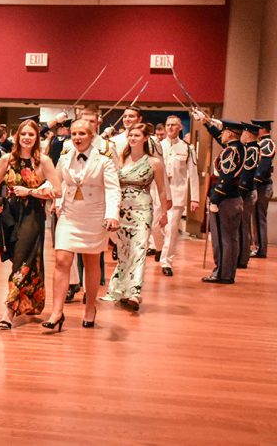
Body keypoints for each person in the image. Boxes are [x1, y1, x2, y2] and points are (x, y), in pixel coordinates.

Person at [47, 119, 121, 331]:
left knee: (91, 262)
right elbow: (57, 181)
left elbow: (113, 189)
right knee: (61, 259)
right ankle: (56, 312)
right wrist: (49, 195)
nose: (77, 138)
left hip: (94, 216)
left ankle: (90, 307)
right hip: (70, 214)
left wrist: (112, 215)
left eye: (82, 134)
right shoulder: (65, 157)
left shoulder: (104, 160)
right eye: (74, 134)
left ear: (92, 135)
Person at [0, 119, 61, 329]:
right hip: (10, 214)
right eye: (24, 134)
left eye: (31, 134)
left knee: (23, 260)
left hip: (33, 214)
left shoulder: (44, 161)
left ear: (37, 138)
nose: (27, 138)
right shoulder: (6, 159)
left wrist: (31, 191)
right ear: (17, 137)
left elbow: (57, 190)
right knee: (18, 260)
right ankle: (30, 302)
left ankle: (9, 311)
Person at [104, 124, 168, 310]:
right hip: (121, 210)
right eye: (130, 135)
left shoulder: (154, 162)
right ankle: (121, 289)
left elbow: (162, 190)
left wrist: (164, 212)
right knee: (124, 250)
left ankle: (135, 291)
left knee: (139, 249)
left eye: (136, 135)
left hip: (142, 209)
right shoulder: (120, 160)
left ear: (145, 138)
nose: (132, 138)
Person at [193, 112, 244, 284]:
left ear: (230, 133)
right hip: (233, 199)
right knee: (231, 238)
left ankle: (221, 274)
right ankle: (228, 273)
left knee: (222, 239)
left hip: (225, 200)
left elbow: (226, 177)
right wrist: (206, 123)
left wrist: (215, 198)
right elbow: (218, 138)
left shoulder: (231, 151)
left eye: (224, 131)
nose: (221, 134)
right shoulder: (238, 147)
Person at [159, 115, 200, 276]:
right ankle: (158, 247)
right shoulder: (157, 146)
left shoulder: (187, 148)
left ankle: (166, 262)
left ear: (180, 128)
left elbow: (193, 174)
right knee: (156, 227)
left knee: (171, 230)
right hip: (159, 193)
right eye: (168, 125)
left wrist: (195, 198)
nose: (170, 127)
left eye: (173, 125)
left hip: (176, 193)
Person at [236, 122, 261, 269]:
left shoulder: (252, 150)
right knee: (242, 225)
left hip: (246, 192)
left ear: (249, 134)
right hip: (248, 191)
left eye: (244, 133)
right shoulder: (249, 148)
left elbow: (247, 173)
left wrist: (240, 192)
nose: (242, 135)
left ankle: (242, 258)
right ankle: (241, 256)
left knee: (243, 226)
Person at [251, 119, 273, 258]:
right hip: (261, 185)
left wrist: (255, 183)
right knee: (257, 218)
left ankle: (260, 249)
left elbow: (264, 165)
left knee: (259, 218)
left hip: (262, 185)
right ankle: (258, 246)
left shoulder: (267, 143)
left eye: (256, 128)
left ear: (262, 129)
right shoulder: (262, 143)